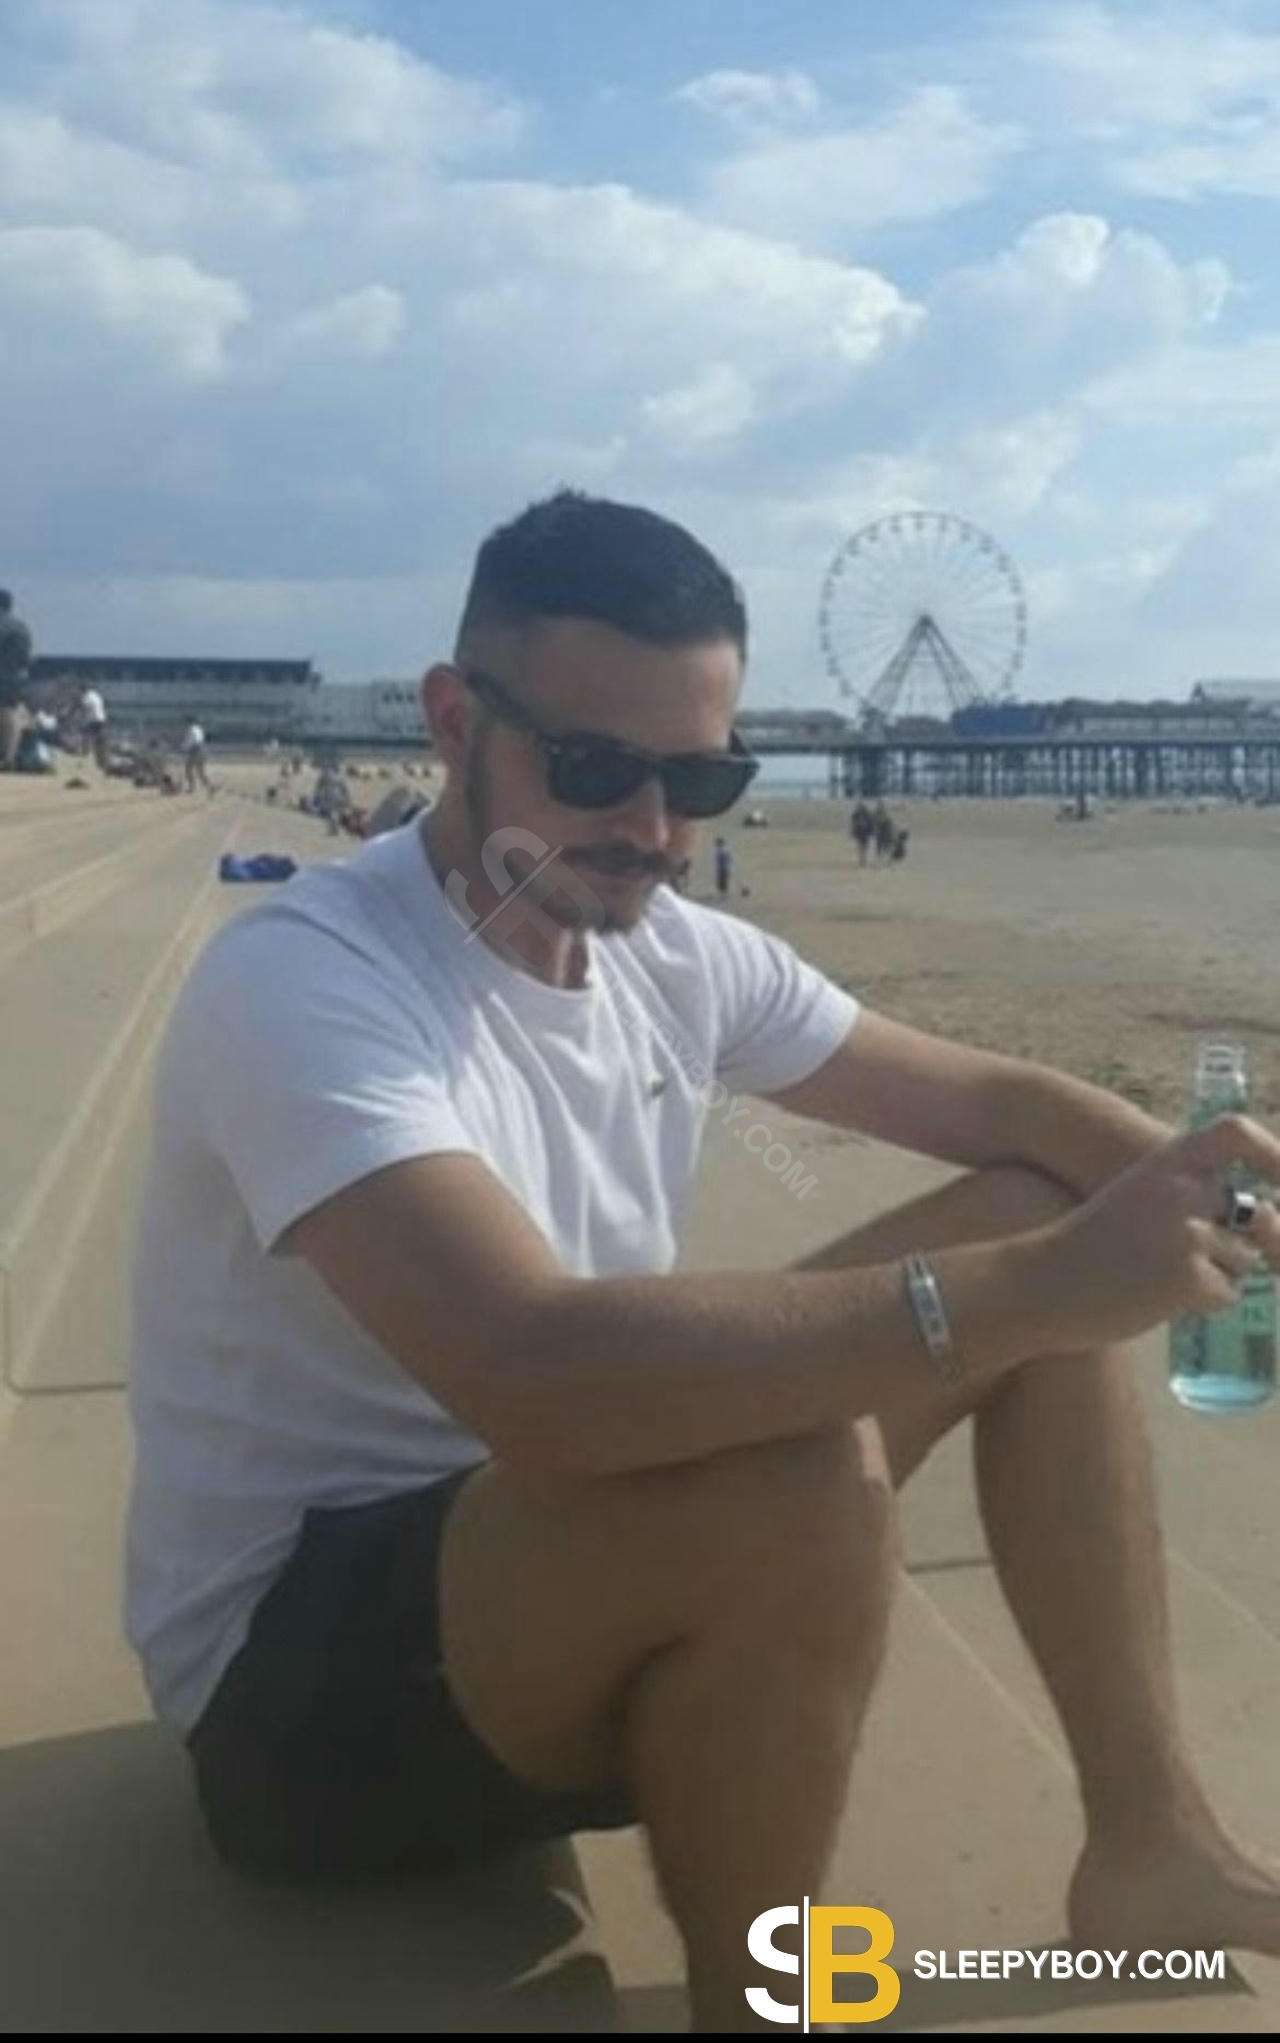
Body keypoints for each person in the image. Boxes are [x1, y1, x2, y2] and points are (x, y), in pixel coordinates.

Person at [125, 490, 1280, 2033]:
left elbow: (1004, 1105)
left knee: (1027, 1207)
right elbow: (537, 1378)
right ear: (456, 719)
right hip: (300, 1700)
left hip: (562, 1562)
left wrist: (1237, 1200)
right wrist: (1052, 1282)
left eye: (702, 776)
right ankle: (765, 2003)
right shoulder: (309, 983)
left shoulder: (665, 948)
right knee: (819, 1455)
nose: (656, 829)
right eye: (596, 768)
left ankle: (1153, 1846)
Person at [0, 588, 33, 771]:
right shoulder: (21, 627)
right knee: (10, 714)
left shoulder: (3, 624)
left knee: (6, 714)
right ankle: (9, 757)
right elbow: (27, 658)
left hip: (3, 676)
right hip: (17, 677)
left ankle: (6, 757)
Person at [79, 684, 109, 772]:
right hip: (102, 719)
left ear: (83, 690)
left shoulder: (87, 696)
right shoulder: (96, 695)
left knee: (86, 735)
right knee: (99, 739)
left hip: (93, 720)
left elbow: (84, 706)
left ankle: (85, 753)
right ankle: (101, 759)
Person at [181, 720, 211, 793]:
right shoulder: (197, 729)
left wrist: (183, 748)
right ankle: (209, 787)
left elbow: (191, 742)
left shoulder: (192, 730)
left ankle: (192, 788)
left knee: (189, 770)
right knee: (199, 772)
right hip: (200, 752)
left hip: (196, 752)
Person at [850, 799, 874, 866]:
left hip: (865, 833)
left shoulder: (867, 814)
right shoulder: (856, 814)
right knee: (861, 847)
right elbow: (853, 824)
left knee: (864, 847)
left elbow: (871, 823)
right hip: (860, 833)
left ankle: (863, 859)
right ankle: (862, 859)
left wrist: (871, 832)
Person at [713, 834, 732, 899]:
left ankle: (723, 895)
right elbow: (730, 859)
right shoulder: (726, 849)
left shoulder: (721, 851)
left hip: (722, 869)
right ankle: (723, 894)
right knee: (723, 882)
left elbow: (719, 861)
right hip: (725, 868)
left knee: (722, 882)